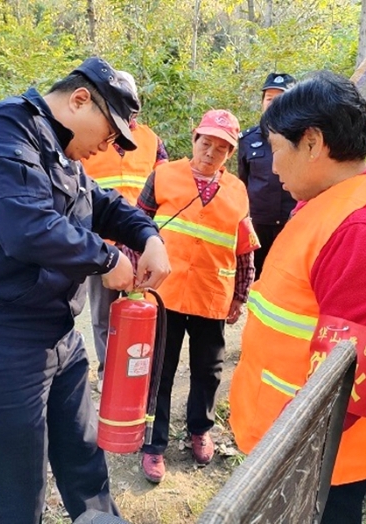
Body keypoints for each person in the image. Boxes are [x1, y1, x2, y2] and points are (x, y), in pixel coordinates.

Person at [0, 56, 171, 524]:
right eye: (107, 135)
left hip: (58, 337)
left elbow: (104, 205)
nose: (106, 147)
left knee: (85, 460)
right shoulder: (5, 129)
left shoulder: (63, 156)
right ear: (80, 99)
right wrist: (107, 260)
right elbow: (27, 228)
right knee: (18, 486)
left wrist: (148, 237)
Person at [229, 71, 366, 524]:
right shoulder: (337, 201)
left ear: (313, 143)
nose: (272, 167)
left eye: (278, 150)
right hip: (295, 445)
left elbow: (342, 388)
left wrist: (291, 458)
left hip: (316, 462)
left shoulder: (362, 230)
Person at [133, 109, 259, 483]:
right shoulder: (163, 175)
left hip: (211, 295)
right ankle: (153, 445)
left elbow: (244, 248)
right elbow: (136, 224)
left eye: (221, 148)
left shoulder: (237, 189)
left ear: (229, 154)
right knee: (161, 372)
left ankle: (199, 430)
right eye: (206, 143)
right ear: (194, 139)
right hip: (164, 294)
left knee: (208, 371)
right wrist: (134, 273)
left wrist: (240, 294)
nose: (210, 152)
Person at [80, 72, 168, 393]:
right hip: (96, 243)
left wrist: (154, 236)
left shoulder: (151, 140)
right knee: (102, 314)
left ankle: (135, 371)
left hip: (138, 239)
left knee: (138, 310)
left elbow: (163, 183)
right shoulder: (90, 135)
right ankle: (108, 373)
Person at [237, 72, 297, 279]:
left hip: (293, 222)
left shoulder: (303, 140)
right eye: (269, 98)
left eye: (280, 98)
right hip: (257, 225)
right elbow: (242, 184)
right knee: (255, 278)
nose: (273, 104)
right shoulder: (247, 139)